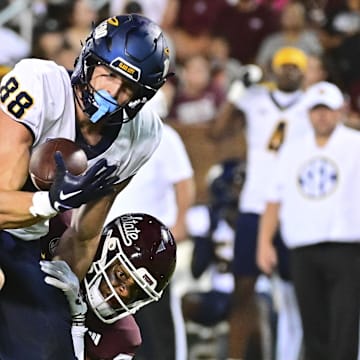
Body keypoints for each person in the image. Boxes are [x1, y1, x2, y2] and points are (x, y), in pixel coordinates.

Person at [0, 14, 171, 359]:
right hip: (10, 217)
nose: (113, 91)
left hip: (28, 239)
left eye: (129, 88)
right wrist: (49, 202)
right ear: (89, 61)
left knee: (52, 344)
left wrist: (67, 289)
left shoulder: (141, 135)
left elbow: (84, 234)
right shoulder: (38, 85)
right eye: (109, 74)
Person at [211, 46, 312, 359]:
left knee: (298, 292)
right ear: (272, 69)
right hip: (255, 205)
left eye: (296, 67)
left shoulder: (313, 105)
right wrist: (237, 90)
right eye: (285, 66)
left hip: (295, 209)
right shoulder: (255, 100)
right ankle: (238, 355)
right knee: (243, 288)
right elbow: (218, 131)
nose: (290, 72)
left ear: (305, 72)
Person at [256, 81, 360, 360]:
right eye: (316, 110)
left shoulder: (355, 145)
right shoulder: (291, 151)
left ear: (340, 110)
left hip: (347, 247)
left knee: (345, 324)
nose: (321, 116)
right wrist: (264, 243)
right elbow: (273, 200)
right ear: (308, 114)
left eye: (327, 110)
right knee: (312, 324)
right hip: (303, 248)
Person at [104, 93, 195, 360]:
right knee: (117, 322)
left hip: (152, 250)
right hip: (112, 249)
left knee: (158, 324)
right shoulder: (112, 137)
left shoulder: (165, 137)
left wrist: (179, 225)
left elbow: (184, 183)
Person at [39, 211, 177, 360]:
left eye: (136, 290)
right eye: (121, 275)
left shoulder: (124, 337)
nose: (123, 291)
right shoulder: (62, 227)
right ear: (106, 250)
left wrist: (77, 322)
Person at [182, 158, 245, 359]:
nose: (237, 192)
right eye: (234, 186)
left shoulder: (255, 219)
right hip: (218, 293)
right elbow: (196, 270)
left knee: (252, 305)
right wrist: (207, 238)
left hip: (251, 294)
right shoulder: (208, 219)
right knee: (185, 302)